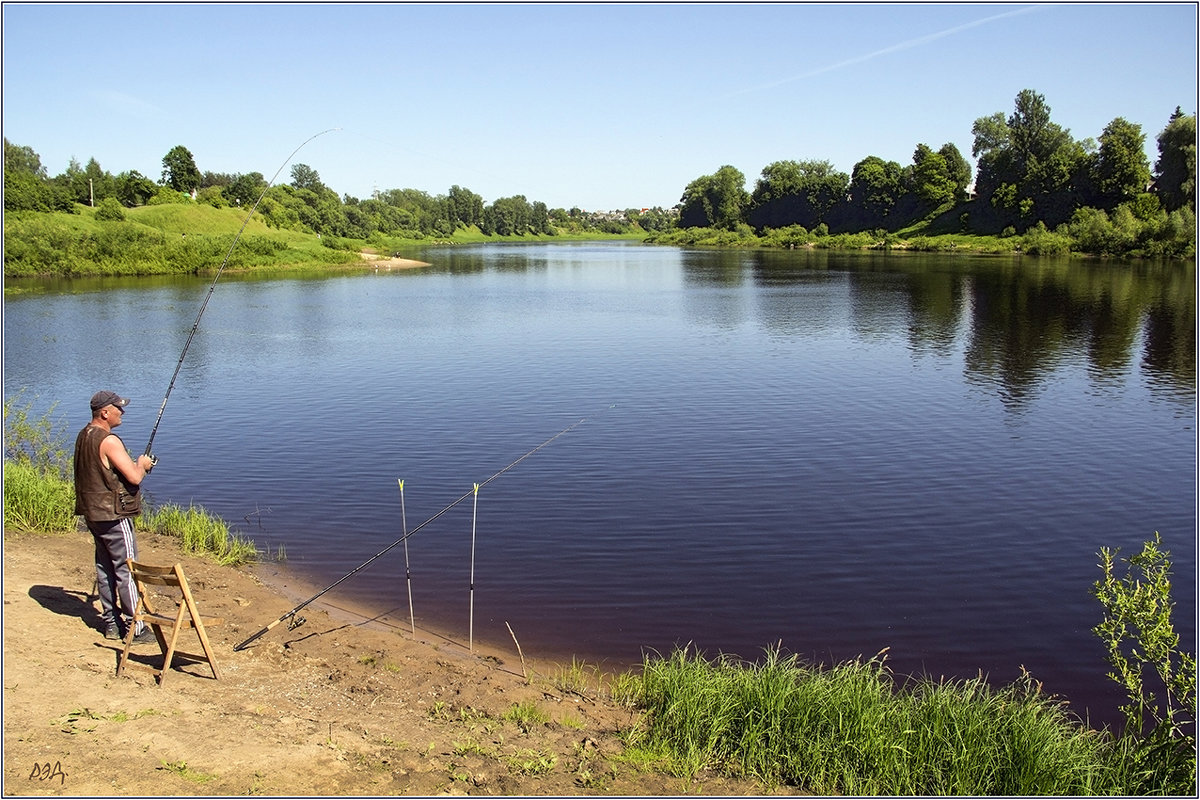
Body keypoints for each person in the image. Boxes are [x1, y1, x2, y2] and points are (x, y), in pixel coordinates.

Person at [73, 390, 157, 644]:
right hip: (113, 515)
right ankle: (137, 626)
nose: (123, 412)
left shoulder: (83, 435)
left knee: (104, 566)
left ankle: (111, 623)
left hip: (92, 513)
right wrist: (142, 465)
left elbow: (103, 471)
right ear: (104, 413)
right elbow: (133, 477)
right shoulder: (109, 440)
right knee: (127, 568)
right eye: (119, 408)